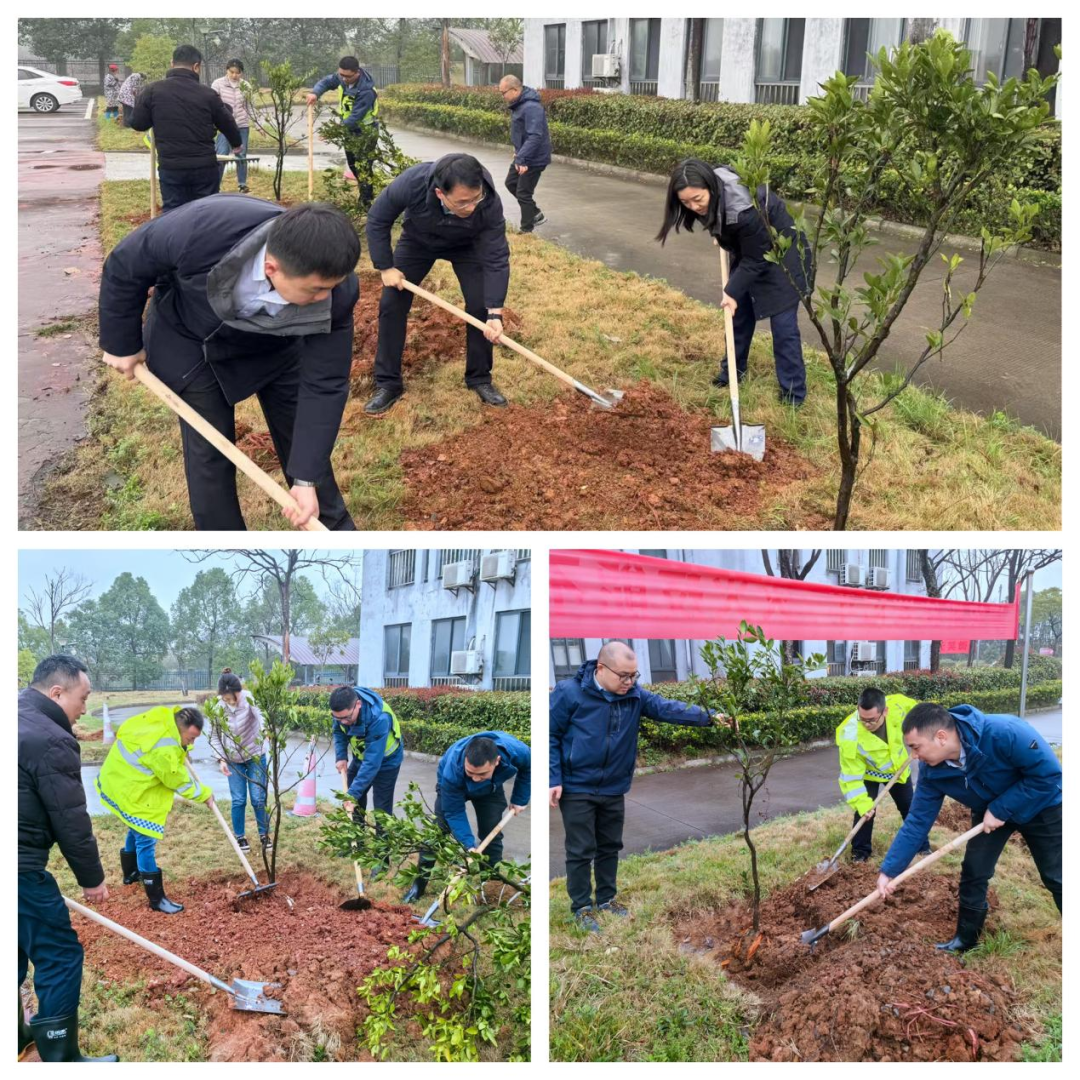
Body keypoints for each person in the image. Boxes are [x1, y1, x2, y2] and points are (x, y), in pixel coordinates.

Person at [98, 198, 361, 530]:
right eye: (317, 289)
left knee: (307, 450)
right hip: (192, 342)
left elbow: (325, 383)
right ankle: (227, 544)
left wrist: (305, 480)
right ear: (272, 269)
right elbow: (125, 264)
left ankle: (336, 530)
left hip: (278, 349)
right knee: (210, 457)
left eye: (332, 286)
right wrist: (121, 343)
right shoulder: (202, 230)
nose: (326, 297)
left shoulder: (337, 293)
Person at [549, 642, 717, 932]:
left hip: (614, 785)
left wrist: (711, 717)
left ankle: (605, 899)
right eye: (623, 676)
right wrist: (553, 778)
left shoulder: (635, 696)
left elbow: (669, 709)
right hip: (577, 786)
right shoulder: (569, 694)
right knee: (580, 850)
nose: (629, 682)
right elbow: (549, 734)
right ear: (601, 669)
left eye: (634, 676)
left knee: (610, 846)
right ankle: (581, 908)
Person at [876, 702, 1062, 953]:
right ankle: (965, 940)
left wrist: (1001, 808)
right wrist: (890, 870)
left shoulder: (1005, 732)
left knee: (1056, 875)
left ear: (941, 737)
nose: (914, 756)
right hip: (989, 815)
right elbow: (917, 822)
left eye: (916, 747)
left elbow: (1048, 775)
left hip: (1041, 806)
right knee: (974, 872)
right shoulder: (932, 773)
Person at [19, 656, 118, 1062]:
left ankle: (16, 1037)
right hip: (19, 869)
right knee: (59, 954)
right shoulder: (51, 739)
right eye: (83, 697)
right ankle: (60, 1059)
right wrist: (92, 879)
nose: (84, 707)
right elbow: (71, 821)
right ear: (57, 692)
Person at [656, 157, 810, 406]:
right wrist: (722, 231)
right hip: (753, 248)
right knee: (737, 315)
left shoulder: (744, 212)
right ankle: (732, 373)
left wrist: (731, 290)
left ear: (711, 187)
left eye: (698, 199)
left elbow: (757, 257)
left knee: (783, 326)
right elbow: (744, 242)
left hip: (783, 252)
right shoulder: (714, 192)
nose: (693, 207)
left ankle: (793, 394)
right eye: (685, 202)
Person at [365, 153, 510, 414]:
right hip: (418, 241)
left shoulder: (487, 201)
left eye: (476, 199)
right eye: (463, 202)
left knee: (479, 306)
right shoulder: (413, 182)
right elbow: (378, 217)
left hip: (467, 245)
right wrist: (386, 267)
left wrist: (495, 311)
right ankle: (388, 383)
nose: (472, 207)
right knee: (392, 304)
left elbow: (496, 256)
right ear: (440, 194)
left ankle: (479, 378)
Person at [96, 706, 211, 914]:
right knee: (146, 839)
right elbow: (177, 780)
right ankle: (156, 899)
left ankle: (131, 874)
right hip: (133, 789)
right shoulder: (164, 748)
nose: (191, 743)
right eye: (190, 738)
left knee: (134, 828)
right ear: (179, 728)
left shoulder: (163, 718)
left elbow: (171, 749)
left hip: (119, 779)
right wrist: (204, 794)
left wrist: (183, 747)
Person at [402, 731, 530, 904]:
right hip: (454, 789)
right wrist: (469, 845)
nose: (476, 779)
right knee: (435, 834)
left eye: (482, 774)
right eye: (471, 773)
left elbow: (530, 766)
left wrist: (519, 799)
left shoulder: (517, 751)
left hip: (490, 790)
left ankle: (491, 887)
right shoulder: (452, 771)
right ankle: (419, 885)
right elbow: (454, 812)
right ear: (465, 762)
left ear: (497, 762)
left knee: (491, 834)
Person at [129, 44, 243, 212]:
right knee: (205, 213)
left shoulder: (152, 90)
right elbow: (227, 122)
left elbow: (138, 123)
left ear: (172, 63)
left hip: (171, 167)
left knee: (174, 213)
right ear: (197, 66)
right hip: (204, 168)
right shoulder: (207, 94)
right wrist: (236, 144)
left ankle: (176, 239)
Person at [836, 687, 930, 862]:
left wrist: (922, 742)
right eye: (862, 719)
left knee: (910, 808)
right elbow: (851, 777)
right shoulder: (850, 735)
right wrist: (863, 804)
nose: (866, 724)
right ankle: (860, 853)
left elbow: (922, 716)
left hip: (898, 769)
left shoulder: (898, 707)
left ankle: (922, 847)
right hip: (868, 775)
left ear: (884, 711)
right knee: (864, 813)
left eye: (871, 720)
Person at [329, 684, 404, 878]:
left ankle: (382, 859)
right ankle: (357, 845)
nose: (343, 722)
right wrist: (341, 756)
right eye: (338, 718)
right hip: (362, 757)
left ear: (358, 705)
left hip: (386, 761)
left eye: (347, 718)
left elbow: (372, 764)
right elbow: (338, 732)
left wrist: (352, 794)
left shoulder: (379, 718)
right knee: (356, 804)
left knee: (381, 809)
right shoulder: (341, 713)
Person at [307, 56, 380, 209]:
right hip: (349, 131)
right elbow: (327, 82)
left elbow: (355, 118)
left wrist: (334, 131)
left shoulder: (366, 90)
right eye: (341, 75)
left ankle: (367, 202)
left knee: (364, 167)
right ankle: (365, 196)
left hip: (366, 132)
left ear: (357, 72)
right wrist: (315, 93)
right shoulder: (341, 78)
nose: (343, 79)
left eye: (347, 76)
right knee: (353, 165)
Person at [211, 669, 270, 855]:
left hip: (255, 755)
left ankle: (264, 834)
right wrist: (221, 760)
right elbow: (214, 737)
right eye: (225, 699)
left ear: (239, 691)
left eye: (232, 698)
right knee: (238, 800)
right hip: (233, 759)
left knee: (258, 798)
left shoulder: (249, 698)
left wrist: (266, 731)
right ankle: (240, 836)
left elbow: (261, 717)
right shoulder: (218, 708)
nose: (229, 702)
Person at [499, 75, 550, 233]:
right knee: (511, 183)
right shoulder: (520, 105)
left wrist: (522, 158)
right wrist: (518, 151)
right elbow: (523, 133)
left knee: (523, 192)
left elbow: (535, 136)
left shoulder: (531, 108)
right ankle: (535, 213)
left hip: (534, 158)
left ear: (514, 90)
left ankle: (526, 229)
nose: (503, 96)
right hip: (523, 155)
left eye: (503, 92)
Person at [211, 59, 251, 193]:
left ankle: (242, 184)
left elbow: (249, 107)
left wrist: (258, 126)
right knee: (221, 155)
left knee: (241, 155)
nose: (234, 75)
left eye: (237, 73)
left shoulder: (246, 86)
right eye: (231, 72)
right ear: (226, 71)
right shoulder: (218, 84)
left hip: (242, 125)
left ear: (241, 73)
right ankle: (215, 184)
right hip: (224, 126)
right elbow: (213, 104)